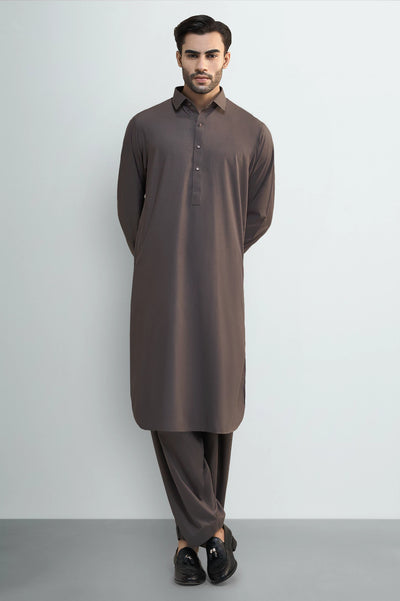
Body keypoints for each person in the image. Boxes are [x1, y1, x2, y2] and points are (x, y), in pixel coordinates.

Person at [117, 14, 275, 585]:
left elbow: (257, 216)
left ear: (226, 58)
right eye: (192, 54)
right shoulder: (144, 127)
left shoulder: (254, 133)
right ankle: (214, 533)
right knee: (166, 402)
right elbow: (129, 212)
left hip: (221, 288)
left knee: (215, 405)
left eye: (211, 55)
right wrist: (165, 256)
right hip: (159, 288)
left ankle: (189, 542)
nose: (201, 65)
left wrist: (214, 253)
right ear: (178, 57)